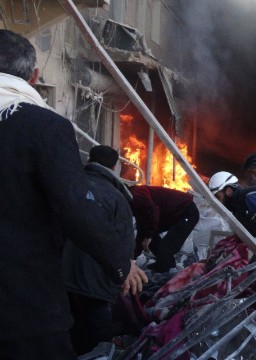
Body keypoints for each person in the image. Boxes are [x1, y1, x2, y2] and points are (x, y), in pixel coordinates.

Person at [0, 29, 146, 359]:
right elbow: (75, 206)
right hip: (21, 308)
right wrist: (121, 265)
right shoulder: (41, 125)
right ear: (34, 77)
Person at [63, 145, 142, 355]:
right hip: (96, 279)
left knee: (70, 328)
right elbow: (125, 244)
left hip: (61, 276)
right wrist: (125, 273)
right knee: (99, 330)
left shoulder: (68, 186)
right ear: (115, 166)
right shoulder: (117, 198)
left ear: (90, 160)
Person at [130, 185, 200, 272]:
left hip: (187, 212)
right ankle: (163, 264)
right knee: (150, 237)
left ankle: (168, 271)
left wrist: (148, 236)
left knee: (166, 247)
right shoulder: (133, 199)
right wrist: (132, 258)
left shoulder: (136, 196)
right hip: (172, 214)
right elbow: (142, 228)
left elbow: (153, 212)